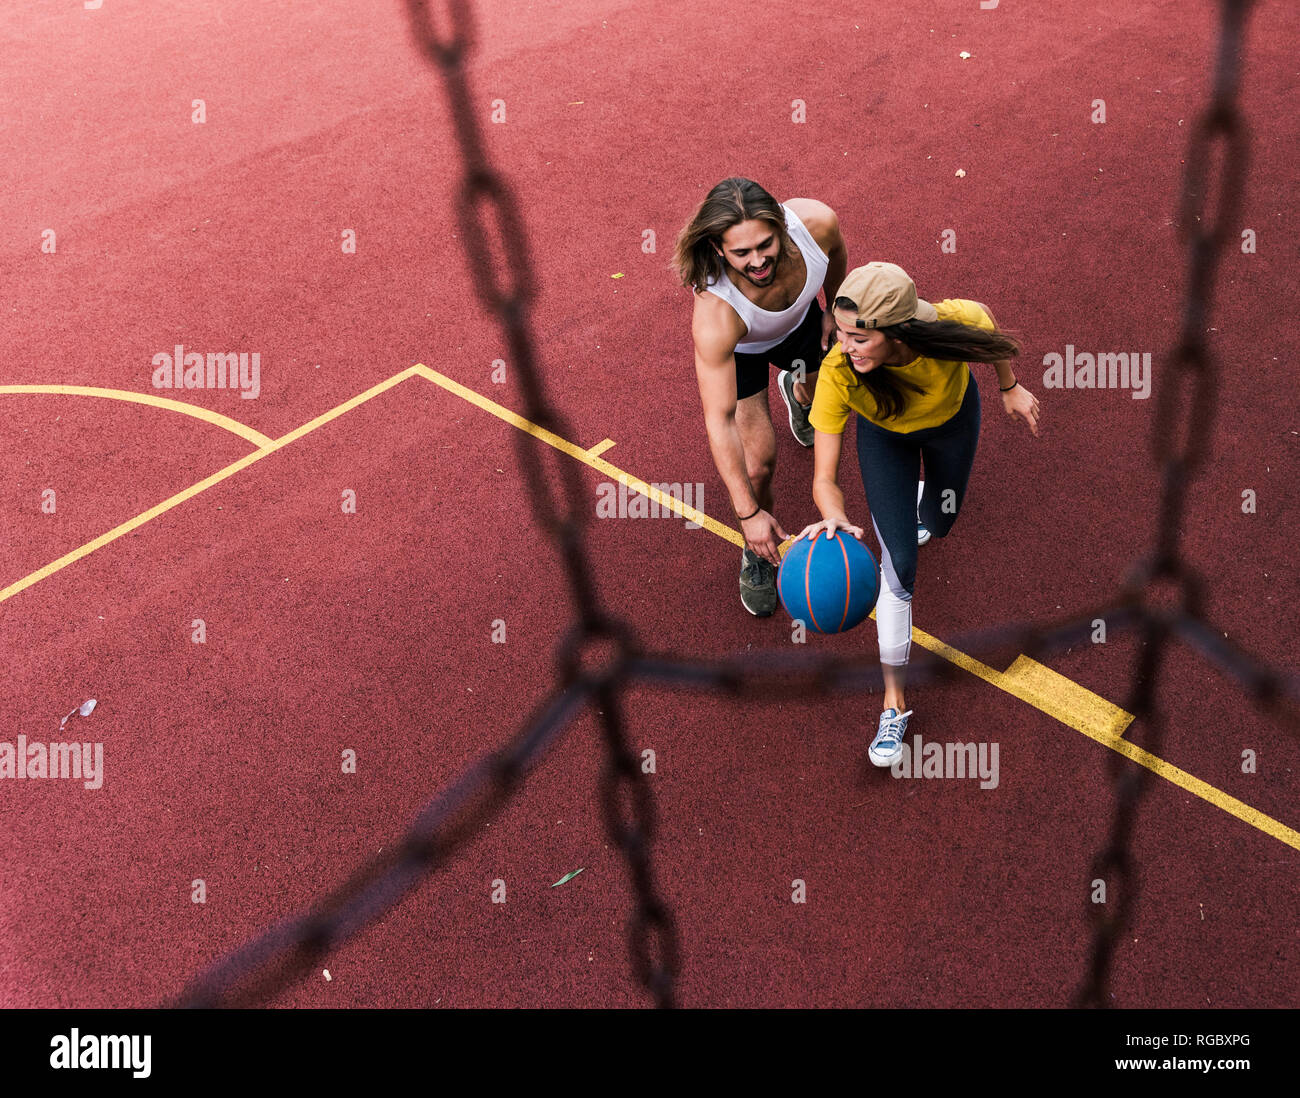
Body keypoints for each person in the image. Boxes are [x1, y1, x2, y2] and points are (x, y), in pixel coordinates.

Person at [796, 262, 1040, 766]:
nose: (845, 347)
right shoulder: (840, 374)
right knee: (900, 565)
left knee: (942, 521)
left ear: (899, 331)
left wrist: (1008, 387)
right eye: (841, 334)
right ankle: (894, 704)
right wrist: (834, 515)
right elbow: (824, 477)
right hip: (886, 439)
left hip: (952, 422)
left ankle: (919, 503)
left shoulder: (947, 326)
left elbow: (988, 327)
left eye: (859, 337)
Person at [673, 178, 848, 616]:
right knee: (758, 464)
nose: (757, 261)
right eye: (741, 253)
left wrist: (836, 310)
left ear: (781, 226)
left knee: (834, 390)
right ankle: (758, 550)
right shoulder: (717, 313)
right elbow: (720, 419)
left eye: (765, 244)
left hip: (804, 323)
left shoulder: (817, 224)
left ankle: (797, 387)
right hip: (745, 350)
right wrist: (748, 514)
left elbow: (838, 255)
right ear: (717, 247)